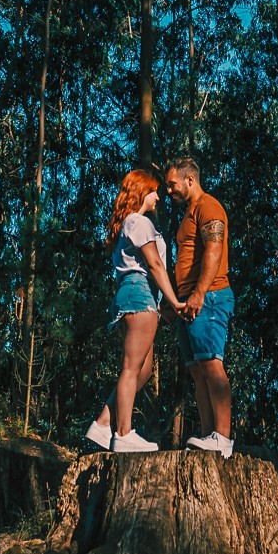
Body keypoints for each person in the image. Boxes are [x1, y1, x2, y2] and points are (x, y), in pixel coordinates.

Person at [84, 167, 183, 453]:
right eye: (154, 191)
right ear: (142, 191)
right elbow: (154, 265)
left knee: (143, 370)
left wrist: (161, 305)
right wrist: (174, 301)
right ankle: (123, 433)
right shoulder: (138, 222)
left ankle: (103, 424)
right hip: (139, 293)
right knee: (131, 368)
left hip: (138, 294)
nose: (158, 197)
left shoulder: (132, 223)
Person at [163, 157, 235, 457]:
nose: (169, 191)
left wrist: (200, 293)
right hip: (187, 303)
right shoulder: (188, 214)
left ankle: (223, 437)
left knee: (211, 365)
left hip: (209, 298)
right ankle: (209, 436)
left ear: (189, 179)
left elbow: (214, 249)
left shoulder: (208, 206)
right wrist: (173, 302)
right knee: (197, 370)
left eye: (172, 184)